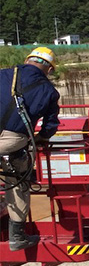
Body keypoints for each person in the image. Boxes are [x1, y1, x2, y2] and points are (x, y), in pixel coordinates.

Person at [0, 47, 60, 250]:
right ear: (49, 70)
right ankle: (17, 235)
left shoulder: (4, 74)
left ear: (26, 60)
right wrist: (39, 138)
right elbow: (50, 127)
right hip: (11, 141)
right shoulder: (49, 91)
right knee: (18, 178)